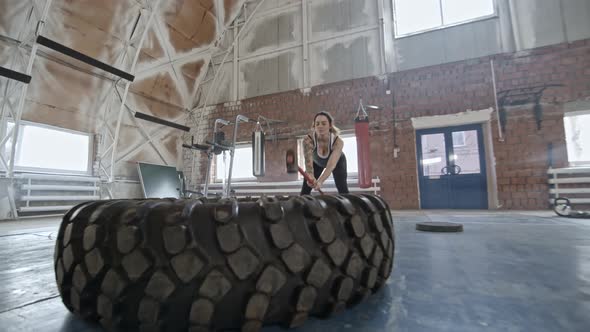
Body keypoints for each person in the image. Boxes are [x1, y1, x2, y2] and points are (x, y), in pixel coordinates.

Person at [300, 111, 349, 195]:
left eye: (323, 123)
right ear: (314, 126)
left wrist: (320, 182)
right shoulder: (308, 141)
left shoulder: (338, 142)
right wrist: (311, 175)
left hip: (338, 163)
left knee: (342, 188)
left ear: (330, 125)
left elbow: (330, 166)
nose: (320, 126)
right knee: (305, 191)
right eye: (317, 124)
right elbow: (308, 162)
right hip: (316, 163)